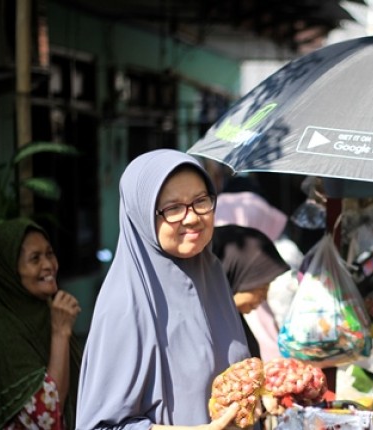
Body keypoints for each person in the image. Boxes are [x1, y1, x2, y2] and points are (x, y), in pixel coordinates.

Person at [76, 149, 252, 429]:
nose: (192, 217)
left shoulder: (212, 276)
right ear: (142, 216)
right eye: (173, 208)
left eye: (200, 201)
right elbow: (101, 426)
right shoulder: (126, 305)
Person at [0, 217, 82, 429]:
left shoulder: (46, 312)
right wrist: (60, 333)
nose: (48, 265)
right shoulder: (2, 332)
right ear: (10, 272)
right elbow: (46, 416)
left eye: (49, 254)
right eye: (35, 259)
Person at [211, 225, 290, 360]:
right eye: (261, 287)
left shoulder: (234, 328)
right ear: (234, 276)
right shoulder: (204, 335)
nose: (264, 297)